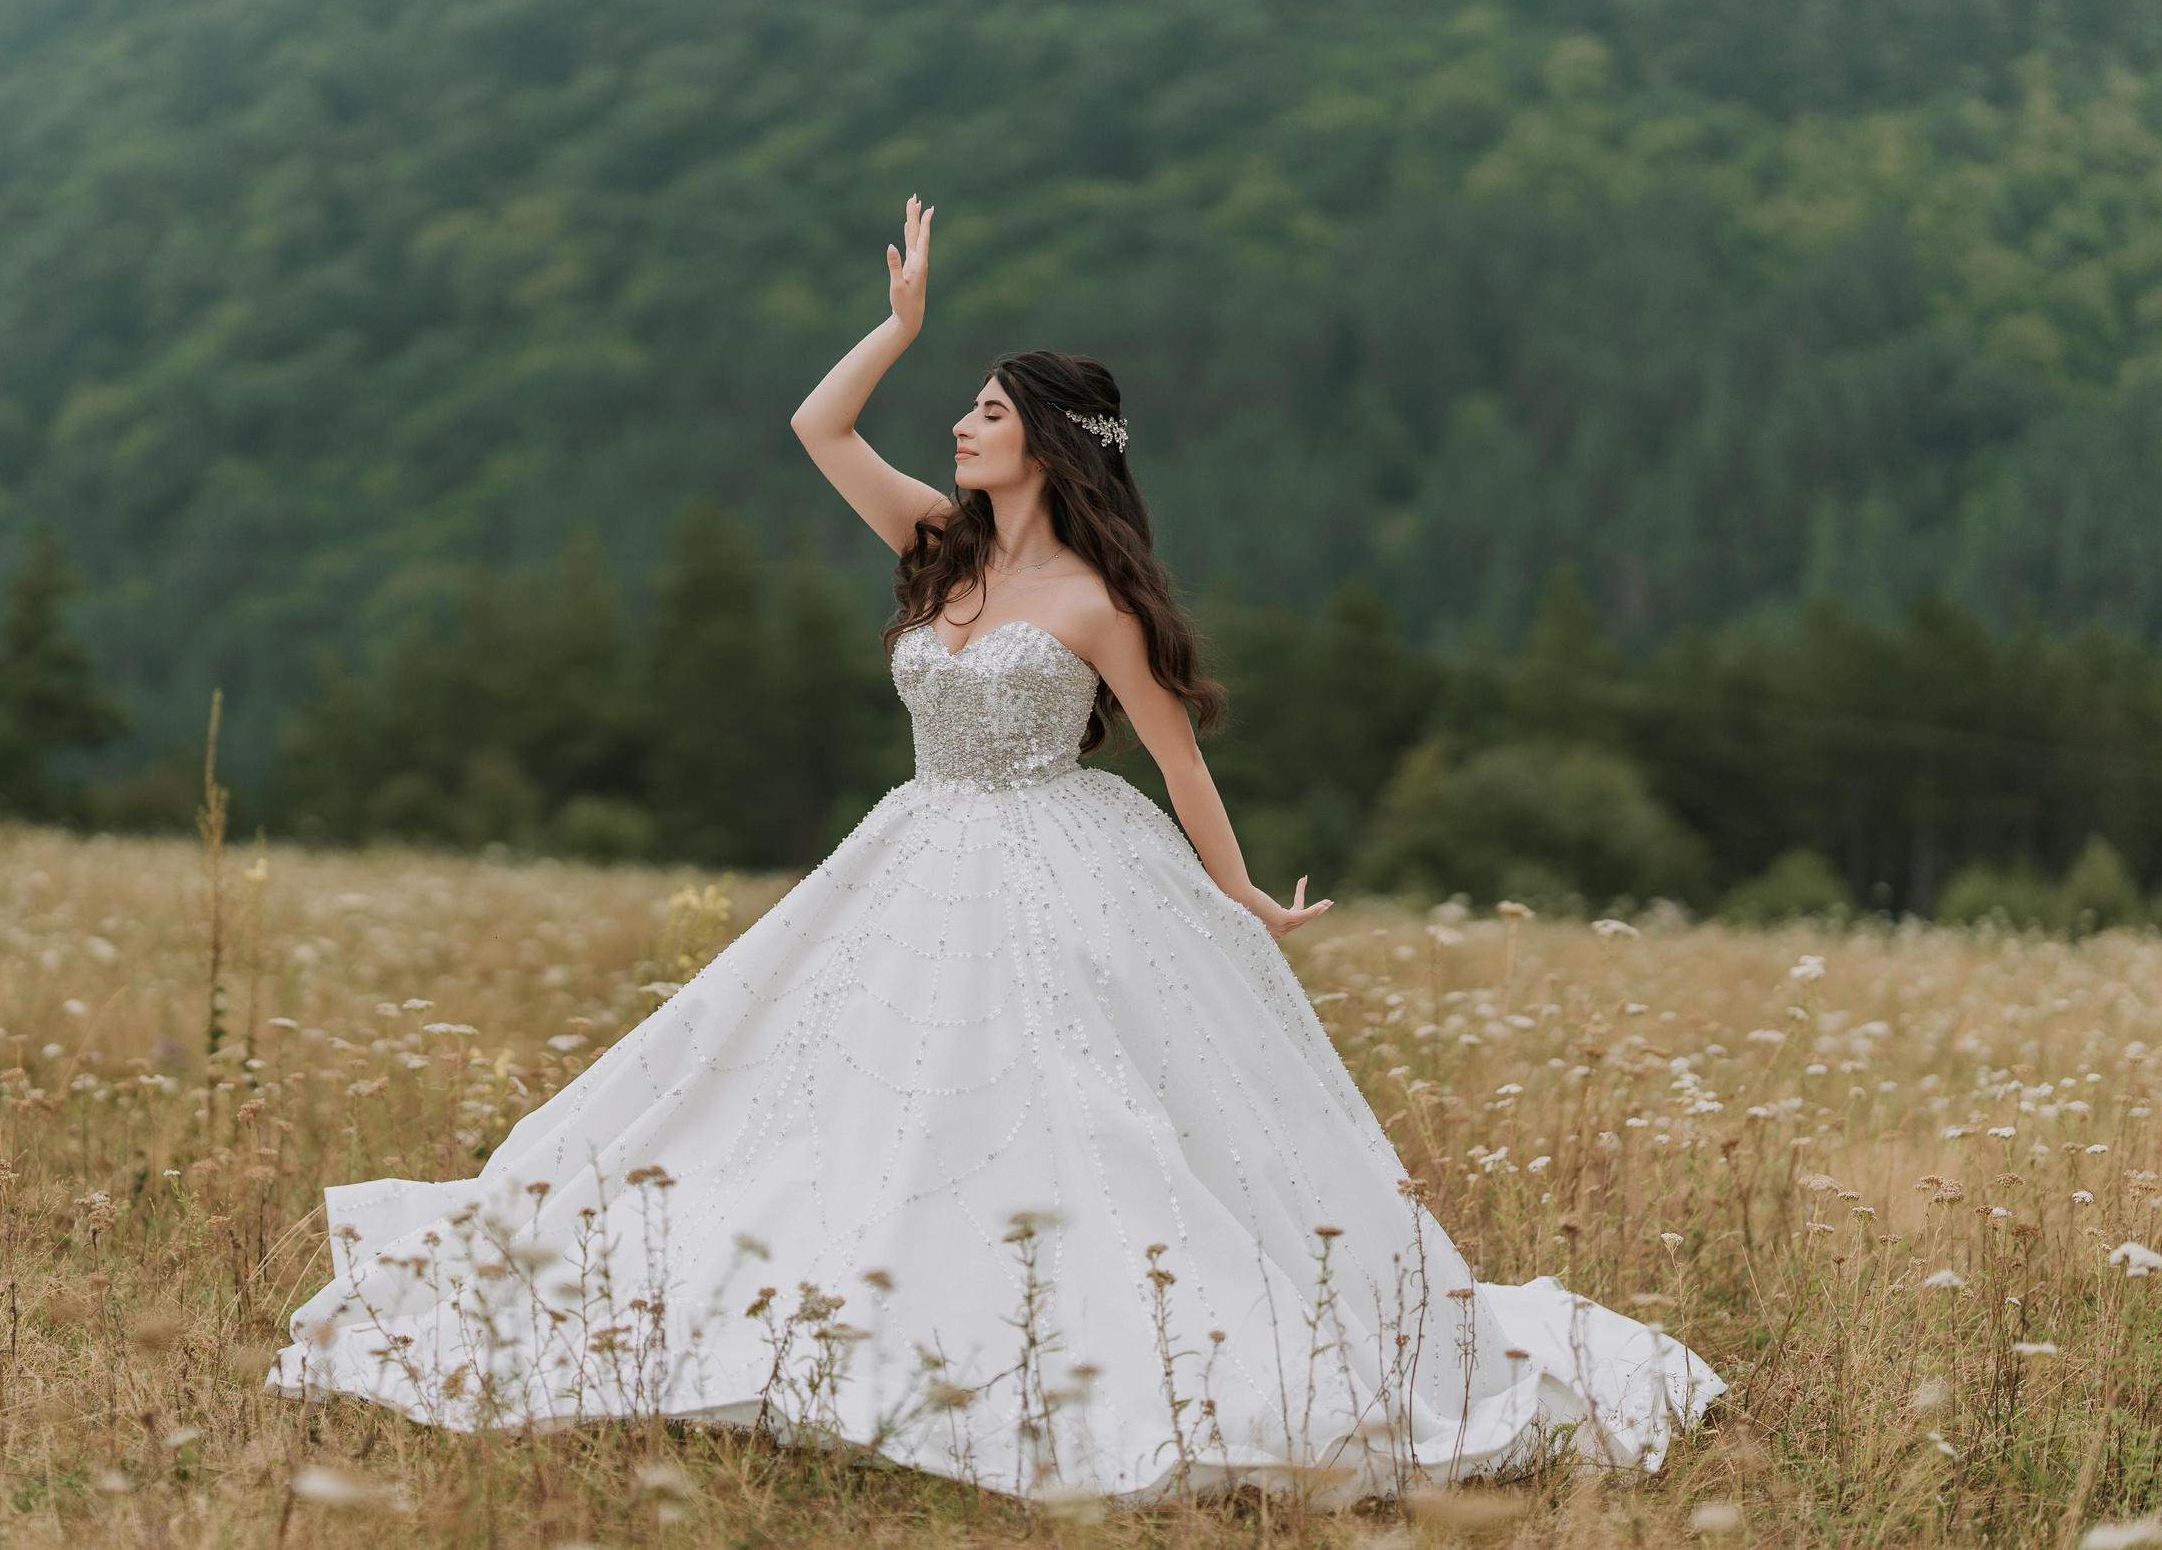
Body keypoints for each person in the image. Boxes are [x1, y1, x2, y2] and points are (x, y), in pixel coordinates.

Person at [269, 197, 1725, 1503]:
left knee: (1077, 1111)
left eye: (979, 409)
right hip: (915, 853)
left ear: (1043, 439)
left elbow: (1177, 758)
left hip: (1064, 865)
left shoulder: (1097, 602)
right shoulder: (939, 548)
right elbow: (817, 431)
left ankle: (1064, 1350)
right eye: (959, 406)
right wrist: (895, 330)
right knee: (819, 1094)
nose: (960, 429)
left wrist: (1238, 901)